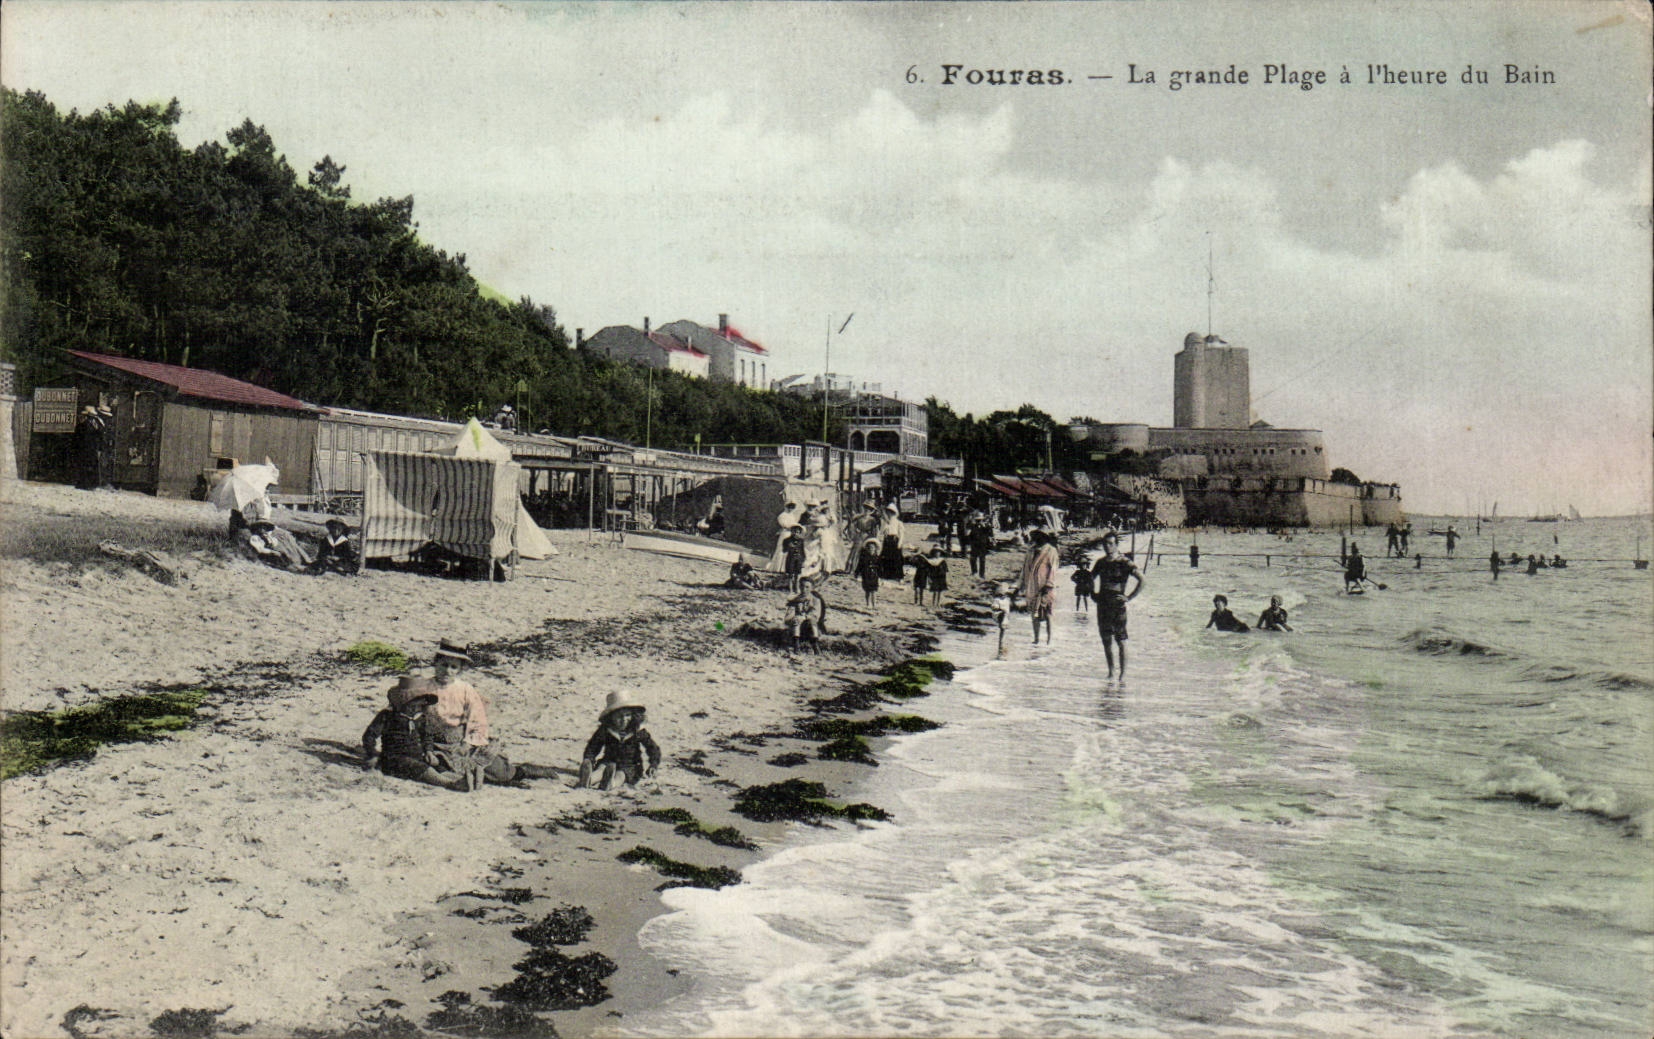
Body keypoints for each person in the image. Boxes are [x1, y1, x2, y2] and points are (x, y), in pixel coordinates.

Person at [427, 640, 557, 786]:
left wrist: (468, 743)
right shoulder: (424, 688)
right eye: (444, 665)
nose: (448, 671)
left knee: (499, 772)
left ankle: (523, 771)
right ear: (436, 663)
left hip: (461, 742)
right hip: (434, 745)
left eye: (453, 667)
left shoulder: (465, 689)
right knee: (438, 768)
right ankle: (467, 780)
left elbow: (477, 720)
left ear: (460, 670)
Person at [362, 674, 475, 791]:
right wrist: (373, 754)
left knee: (437, 766)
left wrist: (429, 751)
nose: (421, 705)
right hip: (394, 758)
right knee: (421, 768)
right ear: (404, 701)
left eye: (423, 702)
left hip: (417, 756)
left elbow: (427, 737)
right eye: (418, 701)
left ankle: (461, 779)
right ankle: (450, 783)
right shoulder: (388, 716)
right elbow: (369, 736)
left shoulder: (421, 718)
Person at [576, 690, 661, 790]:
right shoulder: (605, 730)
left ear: (634, 716)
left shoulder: (638, 731)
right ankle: (588, 780)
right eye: (619, 716)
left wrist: (653, 765)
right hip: (608, 761)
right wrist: (589, 759)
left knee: (621, 775)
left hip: (630, 766)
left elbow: (652, 748)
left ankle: (610, 783)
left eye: (627, 715)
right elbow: (593, 746)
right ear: (610, 717)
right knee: (601, 769)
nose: (624, 719)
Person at [1090, 532, 1144, 679]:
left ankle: (1123, 674)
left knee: (1121, 639)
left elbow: (1142, 580)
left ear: (1116, 544)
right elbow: (1090, 578)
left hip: (1117, 604)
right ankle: (1111, 671)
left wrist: (1129, 597)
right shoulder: (1100, 562)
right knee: (1106, 639)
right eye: (1105, 544)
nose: (1108, 547)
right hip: (1102, 604)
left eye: (1111, 543)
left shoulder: (1124, 562)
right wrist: (1092, 594)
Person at [1018, 530, 1060, 645]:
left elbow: (1053, 569)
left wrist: (1049, 584)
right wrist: (1020, 585)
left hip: (1046, 586)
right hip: (1032, 586)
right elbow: (1024, 568)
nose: (1035, 538)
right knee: (1033, 613)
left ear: (1044, 537)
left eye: (1038, 536)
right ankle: (1036, 639)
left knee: (1048, 613)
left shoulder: (1051, 551)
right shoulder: (1030, 550)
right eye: (1034, 536)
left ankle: (1049, 640)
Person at [783, 589, 822, 653]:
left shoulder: (816, 600)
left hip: (810, 626)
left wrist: (804, 617)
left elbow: (815, 614)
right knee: (797, 620)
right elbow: (787, 617)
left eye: (807, 587)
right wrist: (794, 618)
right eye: (802, 586)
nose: (804, 589)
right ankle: (796, 646)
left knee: (812, 621)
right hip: (797, 626)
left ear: (811, 587)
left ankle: (815, 646)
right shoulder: (795, 600)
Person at [878, 502, 906, 579]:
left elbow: (902, 533)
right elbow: (882, 532)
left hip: (894, 540)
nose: (890, 515)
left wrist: (900, 542)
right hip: (887, 541)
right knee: (886, 558)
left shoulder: (898, 523)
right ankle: (887, 574)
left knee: (897, 558)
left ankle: (898, 576)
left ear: (894, 513)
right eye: (889, 513)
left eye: (892, 513)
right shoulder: (886, 523)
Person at [855, 538, 881, 606]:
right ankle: (868, 603)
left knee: (874, 591)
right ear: (867, 549)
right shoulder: (864, 558)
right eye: (869, 548)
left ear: (875, 549)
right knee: (867, 591)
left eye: (873, 548)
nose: (871, 549)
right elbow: (859, 566)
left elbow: (880, 567)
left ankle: (874, 604)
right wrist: (857, 573)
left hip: (874, 575)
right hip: (866, 575)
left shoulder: (877, 558)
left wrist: (881, 574)